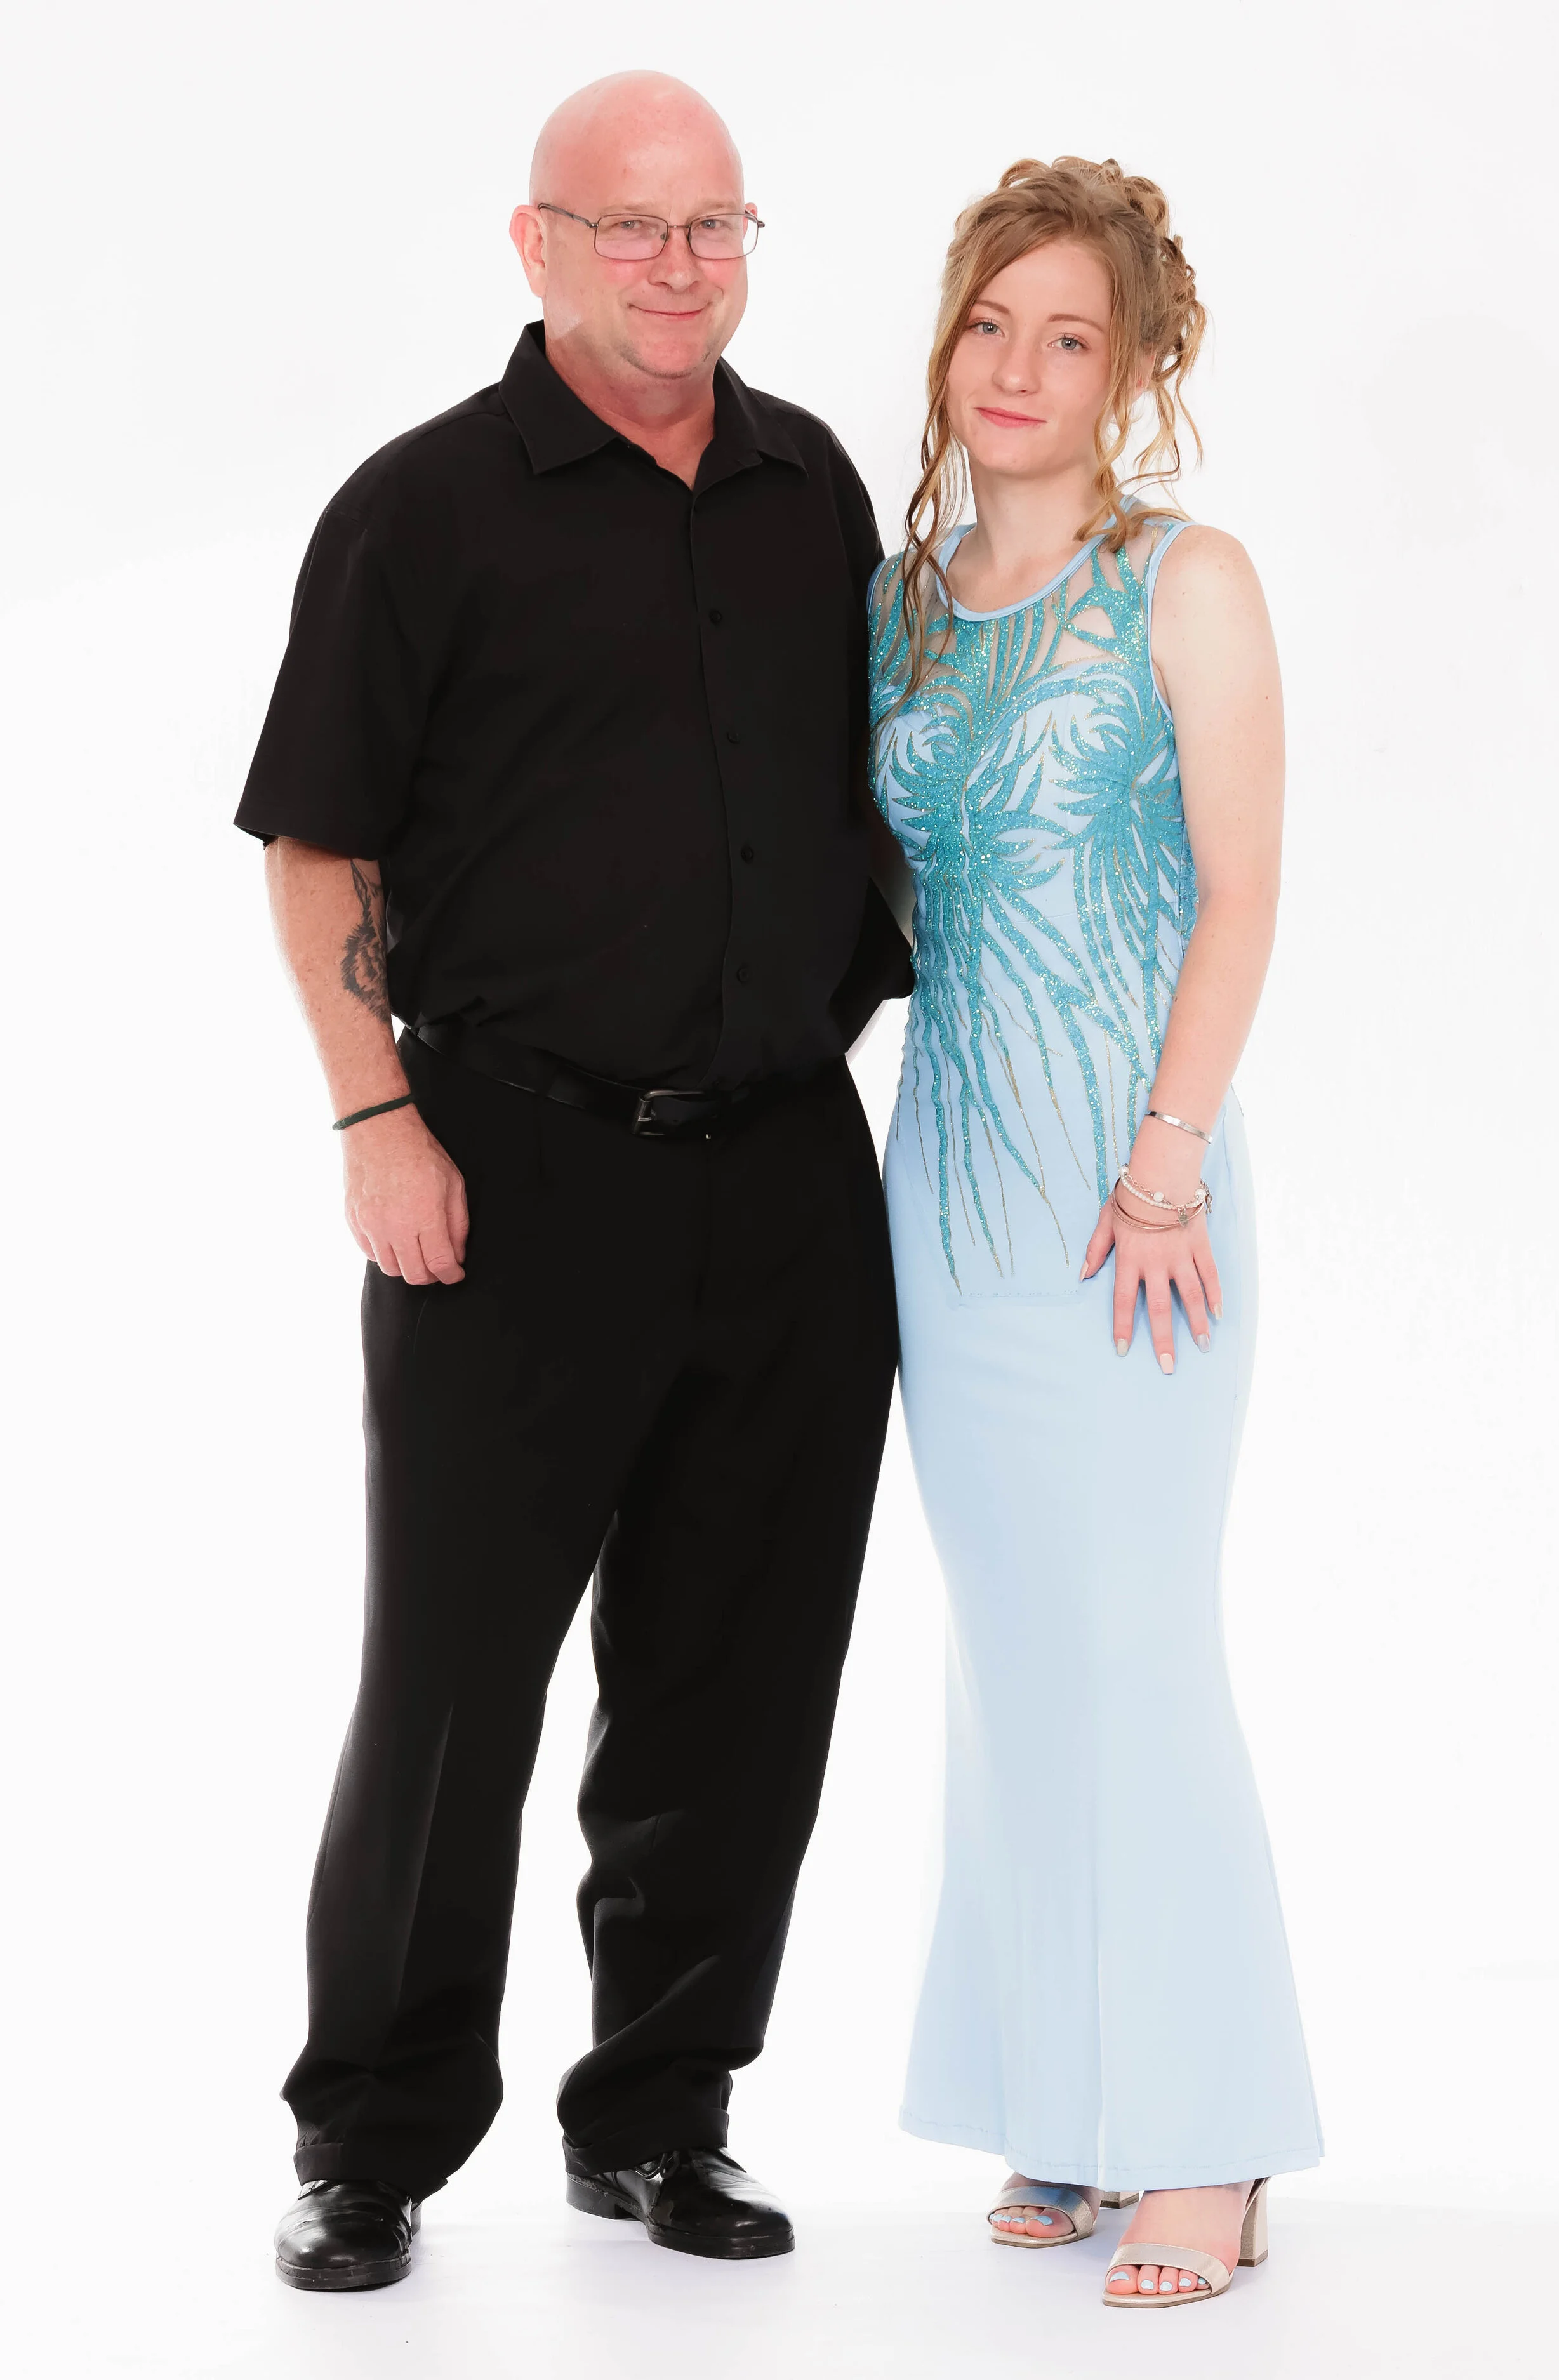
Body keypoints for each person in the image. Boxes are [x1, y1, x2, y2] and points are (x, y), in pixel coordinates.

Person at [238, 70, 910, 2291]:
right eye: (630, 225)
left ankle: (659, 2114)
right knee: (451, 1689)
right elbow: (319, 843)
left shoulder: (810, 485)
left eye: (713, 224)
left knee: (739, 1674)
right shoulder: (420, 510)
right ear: (534, 245)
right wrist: (376, 1121)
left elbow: (866, 795)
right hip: (504, 1175)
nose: (677, 264)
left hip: (786, 1173)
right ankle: (371, 2136)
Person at [869, 156, 1322, 2310]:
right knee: (1010, 1654)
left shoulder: (1181, 580)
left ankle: (1208, 2132)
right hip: (948, 1198)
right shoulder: (897, 602)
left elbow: (1240, 890)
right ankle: (1063, 2094)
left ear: (1129, 370)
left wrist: (1163, 1159)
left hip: (1139, 1197)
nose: (1019, 367)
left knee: (1133, 1639)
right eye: (990, 323)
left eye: (1069, 335)